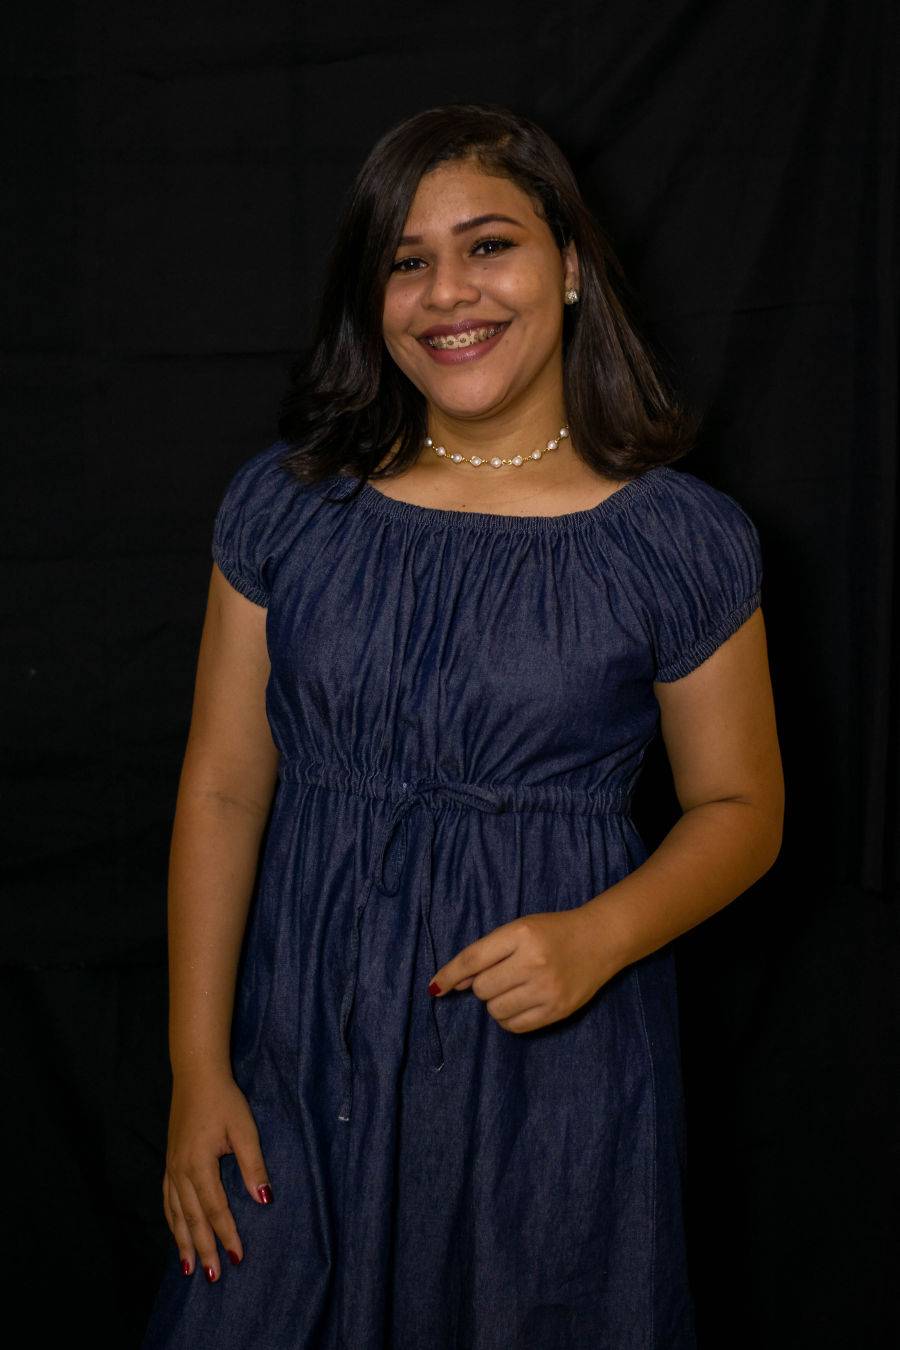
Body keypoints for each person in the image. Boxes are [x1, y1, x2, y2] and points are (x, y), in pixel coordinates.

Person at [141, 101, 784, 1349]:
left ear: (571, 266)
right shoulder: (289, 507)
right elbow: (222, 787)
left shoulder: (678, 541)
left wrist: (598, 936)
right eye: (406, 260)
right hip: (300, 1054)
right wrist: (197, 1071)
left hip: (548, 1077)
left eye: (489, 245)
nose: (448, 293)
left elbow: (744, 809)